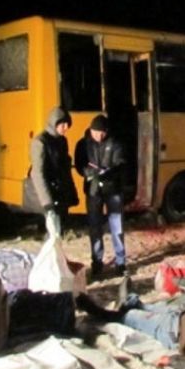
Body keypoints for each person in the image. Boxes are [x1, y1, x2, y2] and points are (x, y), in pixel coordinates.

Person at [74, 115, 127, 276]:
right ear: (91, 130)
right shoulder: (83, 144)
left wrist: (109, 172)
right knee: (95, 227)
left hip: (113, 189)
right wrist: (89, 172)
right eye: (96, 132)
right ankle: (97, 262)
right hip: (93, 190)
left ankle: (120, 262)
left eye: (102, 133)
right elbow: (79, 165)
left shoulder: (115, 142)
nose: (99, 136)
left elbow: (121, 163)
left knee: (117, 226)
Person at [29, 106, 79, 236]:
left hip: (60, 194)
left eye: (67, 125)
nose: (66, 128)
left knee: (59, 232)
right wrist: (47, 203)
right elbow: (38, 174)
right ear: (54, 123)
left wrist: (71, 193)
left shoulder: (62, 141)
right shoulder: (40, 142)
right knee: (51, 233)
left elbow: (65, 170)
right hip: (48, 196)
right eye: (63, 125)